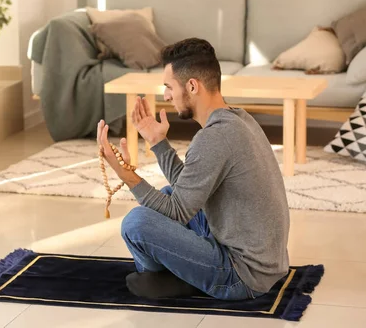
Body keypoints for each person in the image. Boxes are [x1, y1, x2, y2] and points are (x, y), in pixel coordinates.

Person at [96, 38, 290, 301]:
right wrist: (157, 142)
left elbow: (177, 211)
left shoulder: (214, 138)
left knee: (136, 223)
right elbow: (186, 193)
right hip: (267, 262)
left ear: (192, 86)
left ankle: (175, 279)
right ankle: (179, 274)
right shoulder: (239, 119)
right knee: (165, 194)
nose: (166, 96)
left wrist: (124, 173)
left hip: (243, 274)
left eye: (168, 87)